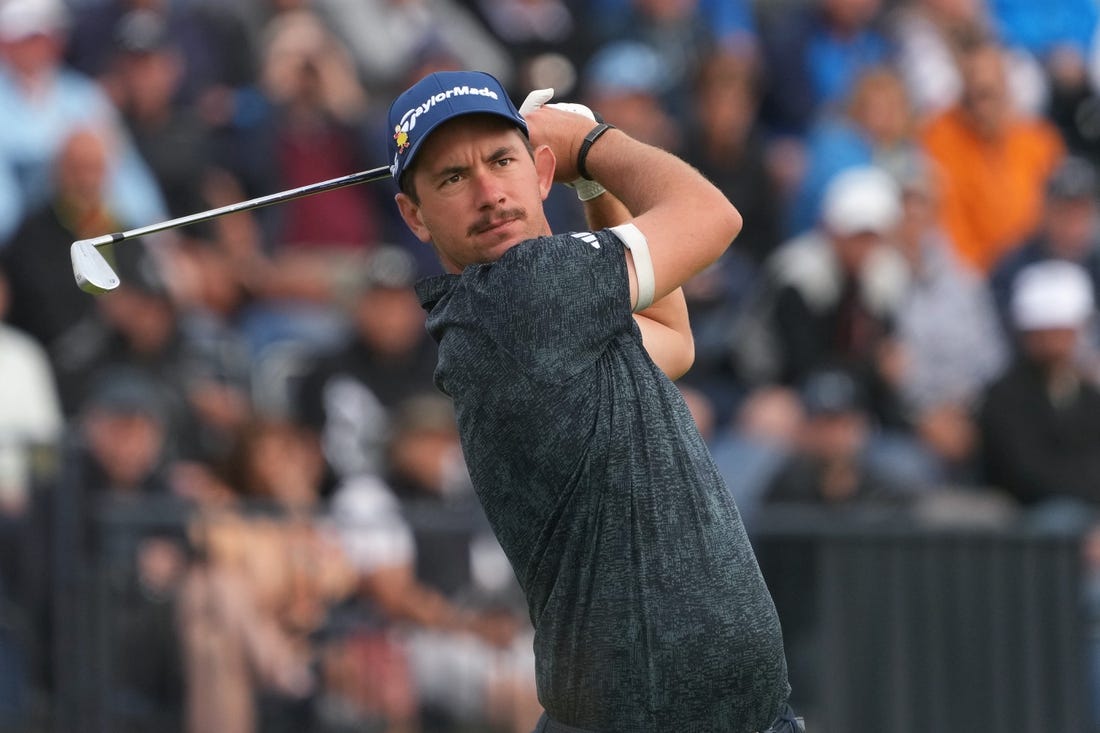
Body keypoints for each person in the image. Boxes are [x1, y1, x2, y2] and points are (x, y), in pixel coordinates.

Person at [386, 70, 796, 731]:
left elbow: (671, 338)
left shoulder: (544, 310)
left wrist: (594, 187)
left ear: (538, 171)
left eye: (500, 159)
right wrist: (595, 142)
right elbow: (715, 217)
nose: (489, 192)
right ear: (414, 215)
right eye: (452, 178)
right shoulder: (526, 292)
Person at [977, 259, 1100, 505]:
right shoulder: (1005, 396)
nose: (1056, 343)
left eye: (1064, 332)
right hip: (1033, 520)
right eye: (1048, 331)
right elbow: (1026, 475)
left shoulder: (1086, 392)